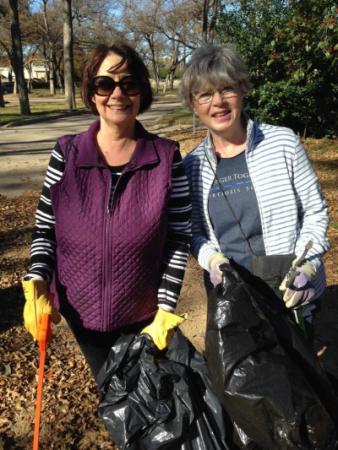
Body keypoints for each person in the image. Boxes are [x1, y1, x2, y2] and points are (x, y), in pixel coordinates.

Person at [22, 40, 191, 382]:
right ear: (92, 92)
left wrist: (166, 309)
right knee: (112, 394)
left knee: (147, 403)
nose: (117, 94)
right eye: (105, 83)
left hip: (143, 317)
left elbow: (179, 237)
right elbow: (45, 230)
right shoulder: (66, 153)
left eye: (128, 83)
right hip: (80, 315)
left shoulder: (166, 157)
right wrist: (37, 278)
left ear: (141, 91)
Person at [181, 44, 329, 322]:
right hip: (234, 297)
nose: (218, 102)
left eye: (226, 88)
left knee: (298, 363)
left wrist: (306, 267)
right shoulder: (192, 166)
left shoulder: (283, 143)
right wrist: (213, 261)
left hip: (291, 291)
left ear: (242, 89)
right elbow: (195, 233)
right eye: (205, 94)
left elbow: (315, 211)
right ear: (193, 103)